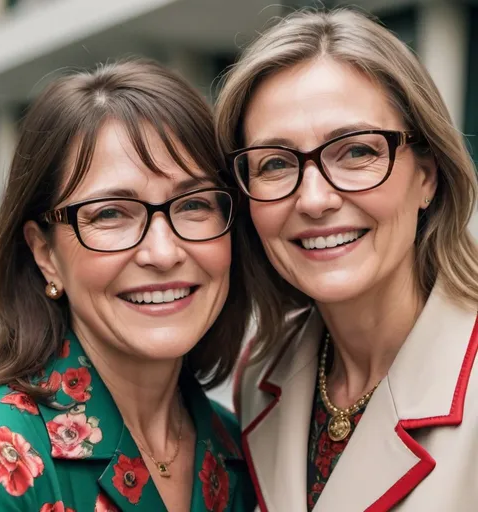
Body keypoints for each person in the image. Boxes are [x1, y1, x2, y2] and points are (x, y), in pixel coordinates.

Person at [215, 8, 478, 512]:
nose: (314, 200)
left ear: (427, 175)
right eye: (274, 162)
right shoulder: (260, 374)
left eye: (356, 152)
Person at [0, 59, 256, 512]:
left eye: (194, 204)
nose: (163, 252)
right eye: (110, 213)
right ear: (45, 254)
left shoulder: (240, 450)